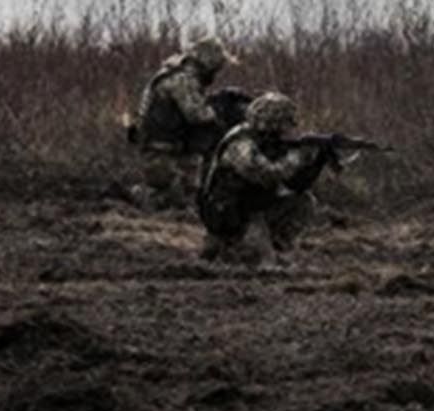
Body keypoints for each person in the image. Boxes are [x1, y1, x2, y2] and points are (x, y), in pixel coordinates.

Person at [195, 91, 334, 262]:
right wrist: (296, 157)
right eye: (284, 124)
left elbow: (294, 184)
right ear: (273, 123)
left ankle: (275, 243)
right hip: (229, 213)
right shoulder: (241, 143)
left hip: (251, 207)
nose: (288, 130)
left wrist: (316, 162)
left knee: (303, 201)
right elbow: (267, 174)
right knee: (259, 263)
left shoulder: (267, 142)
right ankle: (231, 245)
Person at [128, 36, 241, 209]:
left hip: (173, 147)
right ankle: (138, 194)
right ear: (207, 63)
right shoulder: (182, 79)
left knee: (191, 195)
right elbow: (196, 115)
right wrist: (220, 110)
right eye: (216, 68)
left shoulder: (181, 74)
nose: (216, 73)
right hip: (160, 150)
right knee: (170, 199)